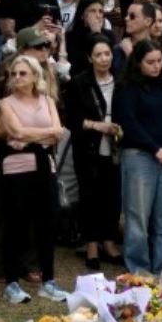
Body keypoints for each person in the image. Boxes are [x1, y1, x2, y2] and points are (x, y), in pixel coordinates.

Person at [0, 55, 68, 303]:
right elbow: (16, 131)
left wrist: (29, 137)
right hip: (16, 168)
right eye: (14, 74)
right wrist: (42, 134)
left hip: (44, 166)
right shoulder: (6, 103)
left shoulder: (48, 100)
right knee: (16, 223)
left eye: (23, 73)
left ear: (35, 76)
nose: (17, 78)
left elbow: (58, 133)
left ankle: (49, 280)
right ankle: (11, 281)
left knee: (46, 222)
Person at [113, 39, 162, 274]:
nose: (156, 66)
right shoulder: (126, 88)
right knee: (138, 217)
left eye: (159, 62)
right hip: (139, 156)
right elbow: (128, 123)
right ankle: (139, 269)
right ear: (138, 63)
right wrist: (156, 149)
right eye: (150, 62)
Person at [64, 37, 125, 272]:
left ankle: (109, 242)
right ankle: (91, 244)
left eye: (107, 53)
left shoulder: (120, 80)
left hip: (116, 146)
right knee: (90, 194)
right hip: (88, 147)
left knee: (112, 194)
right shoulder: (80, 83)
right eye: (98, 54)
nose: (104, 59)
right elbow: (71, 119)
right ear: (90, 57)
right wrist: (96, 125)